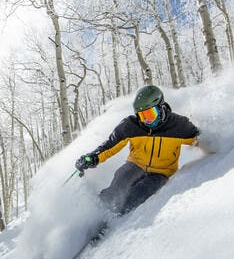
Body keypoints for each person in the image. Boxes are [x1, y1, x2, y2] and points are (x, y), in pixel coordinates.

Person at [75, 85, 208, 215]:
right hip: (135, 165)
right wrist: (92, 158)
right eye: (142, 116)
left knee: (135, 195)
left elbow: (202, 139)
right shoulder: (130, 126)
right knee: (118, 186)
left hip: (160, 173)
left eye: (150, 113)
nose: (147, 120)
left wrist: (217, 145)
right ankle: (95, 216)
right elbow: (109, 146)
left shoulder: (178, 126)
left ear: (161, 107)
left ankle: (113, 221)